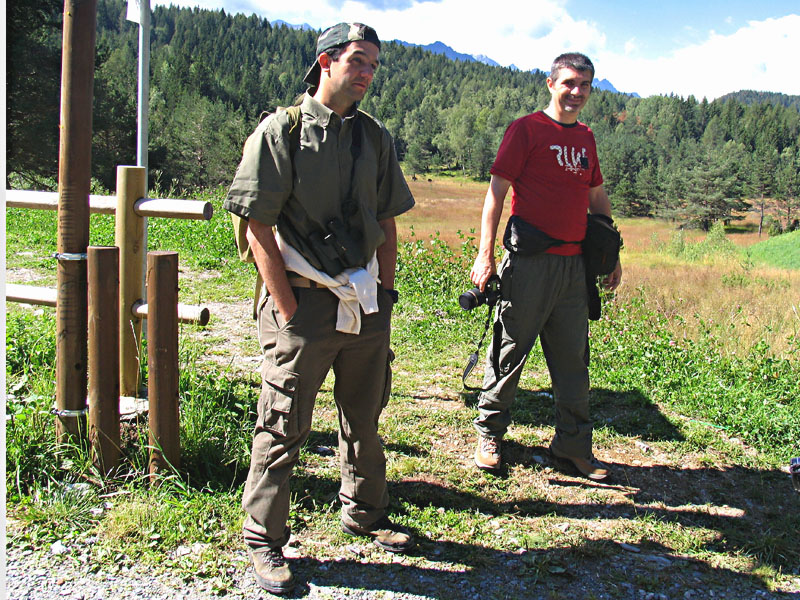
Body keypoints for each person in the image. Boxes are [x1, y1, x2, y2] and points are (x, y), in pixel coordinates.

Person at [224, 22, 415, 595]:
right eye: (358, 61)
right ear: (326, 61)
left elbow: (386, 221)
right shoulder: (280, 130)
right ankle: (263, 540)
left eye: (374, 65)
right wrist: (285, 309)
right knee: (282, 424)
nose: (366, 74)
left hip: (363, 305)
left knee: (365, 414)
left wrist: (382, 294)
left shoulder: (373, 137)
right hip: (302, 307)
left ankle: (364, 513)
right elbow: (256, 226)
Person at [469, 52, 622, 481]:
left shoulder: (587, 138)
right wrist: (485, 255)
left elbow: (597, 199)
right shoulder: (527, 130)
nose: (577, 92)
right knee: (509, 350)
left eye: (585, 85)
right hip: (530, 263)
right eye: (569, 82)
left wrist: (611, 256)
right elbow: (496, 193)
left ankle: (572, 447)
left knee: (573, 359)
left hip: (574, 267)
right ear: (551, 83)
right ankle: (490, 434)